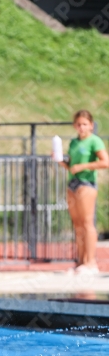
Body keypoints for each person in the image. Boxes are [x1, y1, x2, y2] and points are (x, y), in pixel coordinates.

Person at [58, 110, 109, 274]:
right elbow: (72, 165)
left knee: (87, 223)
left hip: (86, 183)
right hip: (72, 183)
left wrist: (84, 166)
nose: (81, 127)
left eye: (85, 124)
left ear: (91, 126)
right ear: (75, 125)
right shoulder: (74, 142)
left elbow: (105, 162)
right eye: (79, 124)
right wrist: (62, 162)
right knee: (78, 224)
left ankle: (91, 262)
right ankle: (80, 262)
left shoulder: (95, 141)